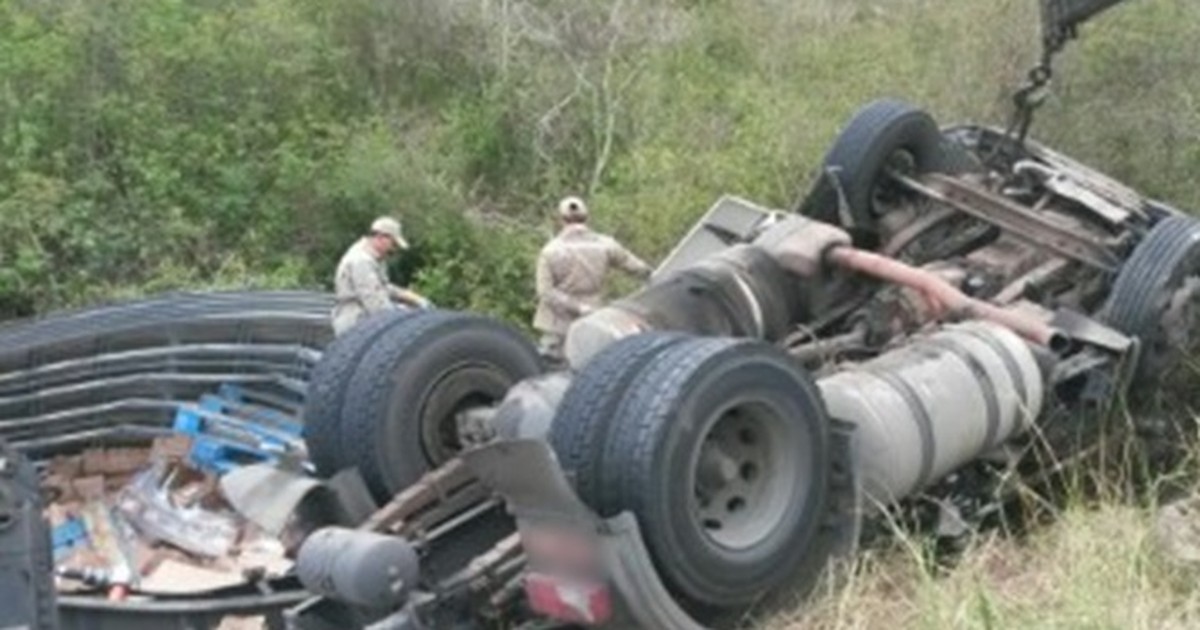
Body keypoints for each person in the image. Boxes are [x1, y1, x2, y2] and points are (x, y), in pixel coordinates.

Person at [534, 196, 652, 362]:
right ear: (587, 217)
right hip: (593, 319)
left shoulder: (550, 251)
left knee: (549, 371)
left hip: (558, 325)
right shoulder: (605, 245)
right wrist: (653, 275)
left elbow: (546, 292)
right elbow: (635, 267)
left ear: (561, 219)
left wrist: (576, 306)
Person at [331, 216, 430, 336]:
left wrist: (411, 297)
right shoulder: (361, 261)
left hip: (364, 319)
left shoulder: (373, 258)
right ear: (381, 237)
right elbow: (376, 305)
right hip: (355, 323)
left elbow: (383, 286)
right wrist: (403, 314)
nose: (393, 249)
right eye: (393, 243)